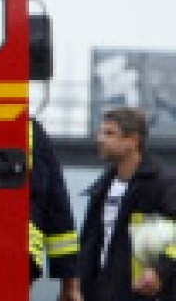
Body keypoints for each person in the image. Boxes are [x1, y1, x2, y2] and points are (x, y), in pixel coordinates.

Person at [80, 107, 176, 300]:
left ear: (133, 140)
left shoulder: (164, 184)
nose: (100, 139)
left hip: (144, 294)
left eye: (109, 133)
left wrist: (159, 271)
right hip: (100, 292)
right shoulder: (101, 188)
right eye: (101, 133)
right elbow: (90, 244)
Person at [30, 116, 81, 300]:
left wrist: (69, 277)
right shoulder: (31, 131)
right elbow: (57, 208)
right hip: (18, 255)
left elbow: (57, 209)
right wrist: (69, 281)